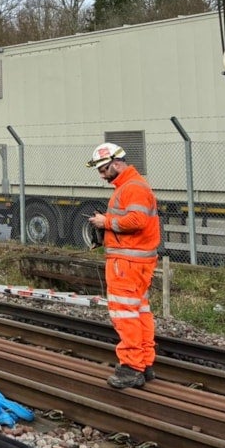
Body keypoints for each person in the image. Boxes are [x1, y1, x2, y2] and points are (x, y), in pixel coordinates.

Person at [86, 142, 160, 389]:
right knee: (139, 313)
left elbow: (137, 221)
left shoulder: (133, 187)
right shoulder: (132, 185)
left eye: (104, 169)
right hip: (137, 261)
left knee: (124, 314)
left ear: (117, 163)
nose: (102, 175)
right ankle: (144, 363)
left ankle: (131, 368)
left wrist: (105, 222)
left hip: (127, 264)